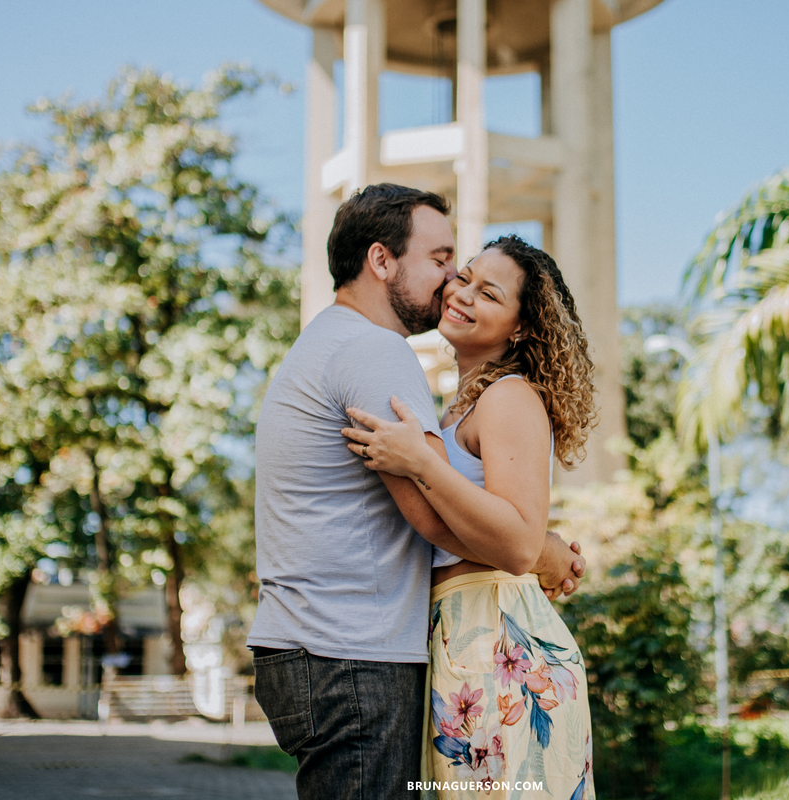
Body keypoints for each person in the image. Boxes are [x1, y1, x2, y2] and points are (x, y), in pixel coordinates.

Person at [247, 185, 586, 800]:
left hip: (454, 644)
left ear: (520, 327)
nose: (452, 285)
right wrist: (545, 550)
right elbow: (435, 518)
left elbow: (476, 520)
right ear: (382, 261)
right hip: (351, 654)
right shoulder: (377, 352)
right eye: (444, 263)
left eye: (481, 286)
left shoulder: (342, 344)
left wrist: (537, 545)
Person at [342, 234, 598, 799]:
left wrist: (418, 463)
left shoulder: (508, 396)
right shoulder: (461, 404)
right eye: (465, 277)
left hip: (499, 641)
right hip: (459, 636)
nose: (461, 293)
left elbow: (517, 544)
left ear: (521, 328)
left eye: (489, 293)